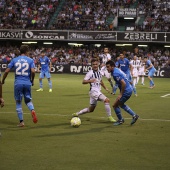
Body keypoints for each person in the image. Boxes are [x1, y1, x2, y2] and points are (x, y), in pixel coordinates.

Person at [2, 45, 38, 127]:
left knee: (18, 102)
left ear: (20, 51)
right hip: (27, 83)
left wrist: (3, 80)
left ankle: (21, 122)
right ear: (27, 52)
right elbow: (33, 71)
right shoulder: (30, 60)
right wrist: (32, 80)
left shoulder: (15, 60)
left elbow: (7, 71)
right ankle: (32, 110)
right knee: (28, 101)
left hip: (18, 83)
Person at [72, 58, 116, 123]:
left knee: (91, 109)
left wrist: (105, 88)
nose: (95, 65)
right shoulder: (90, 73)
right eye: (93, 64)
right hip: (93, 91)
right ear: (91, 65)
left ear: (98, 64)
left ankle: (77, 114)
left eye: (96, 64)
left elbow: (100, 80)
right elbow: (83, 81)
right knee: (106, 100)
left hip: (96, 92)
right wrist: (90, 80)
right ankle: (110, 117)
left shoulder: (100, 72)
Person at [106, 60, 139, 126]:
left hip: (126, 91)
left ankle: (121, 120)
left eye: (108, 67)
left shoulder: (115, 73)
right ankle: (134, 115)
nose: (107, 68)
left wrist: (121, 94)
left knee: (115, 105)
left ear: (112, 66)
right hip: (129, 89)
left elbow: (123, 83)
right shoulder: (116, 70)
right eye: (106, 67)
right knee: (120, 104)